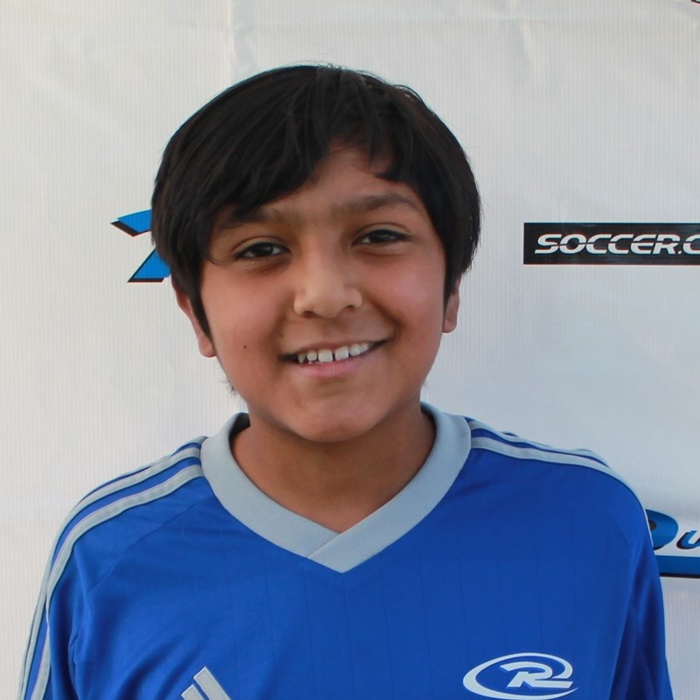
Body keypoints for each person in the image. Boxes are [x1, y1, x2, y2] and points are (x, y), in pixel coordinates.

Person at [20, 65, 672, 700]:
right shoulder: (112, 558)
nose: (326, 295)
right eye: (260, 249)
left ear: (450, 289)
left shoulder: (586, 523)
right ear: (196, 312)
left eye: (379, 236)